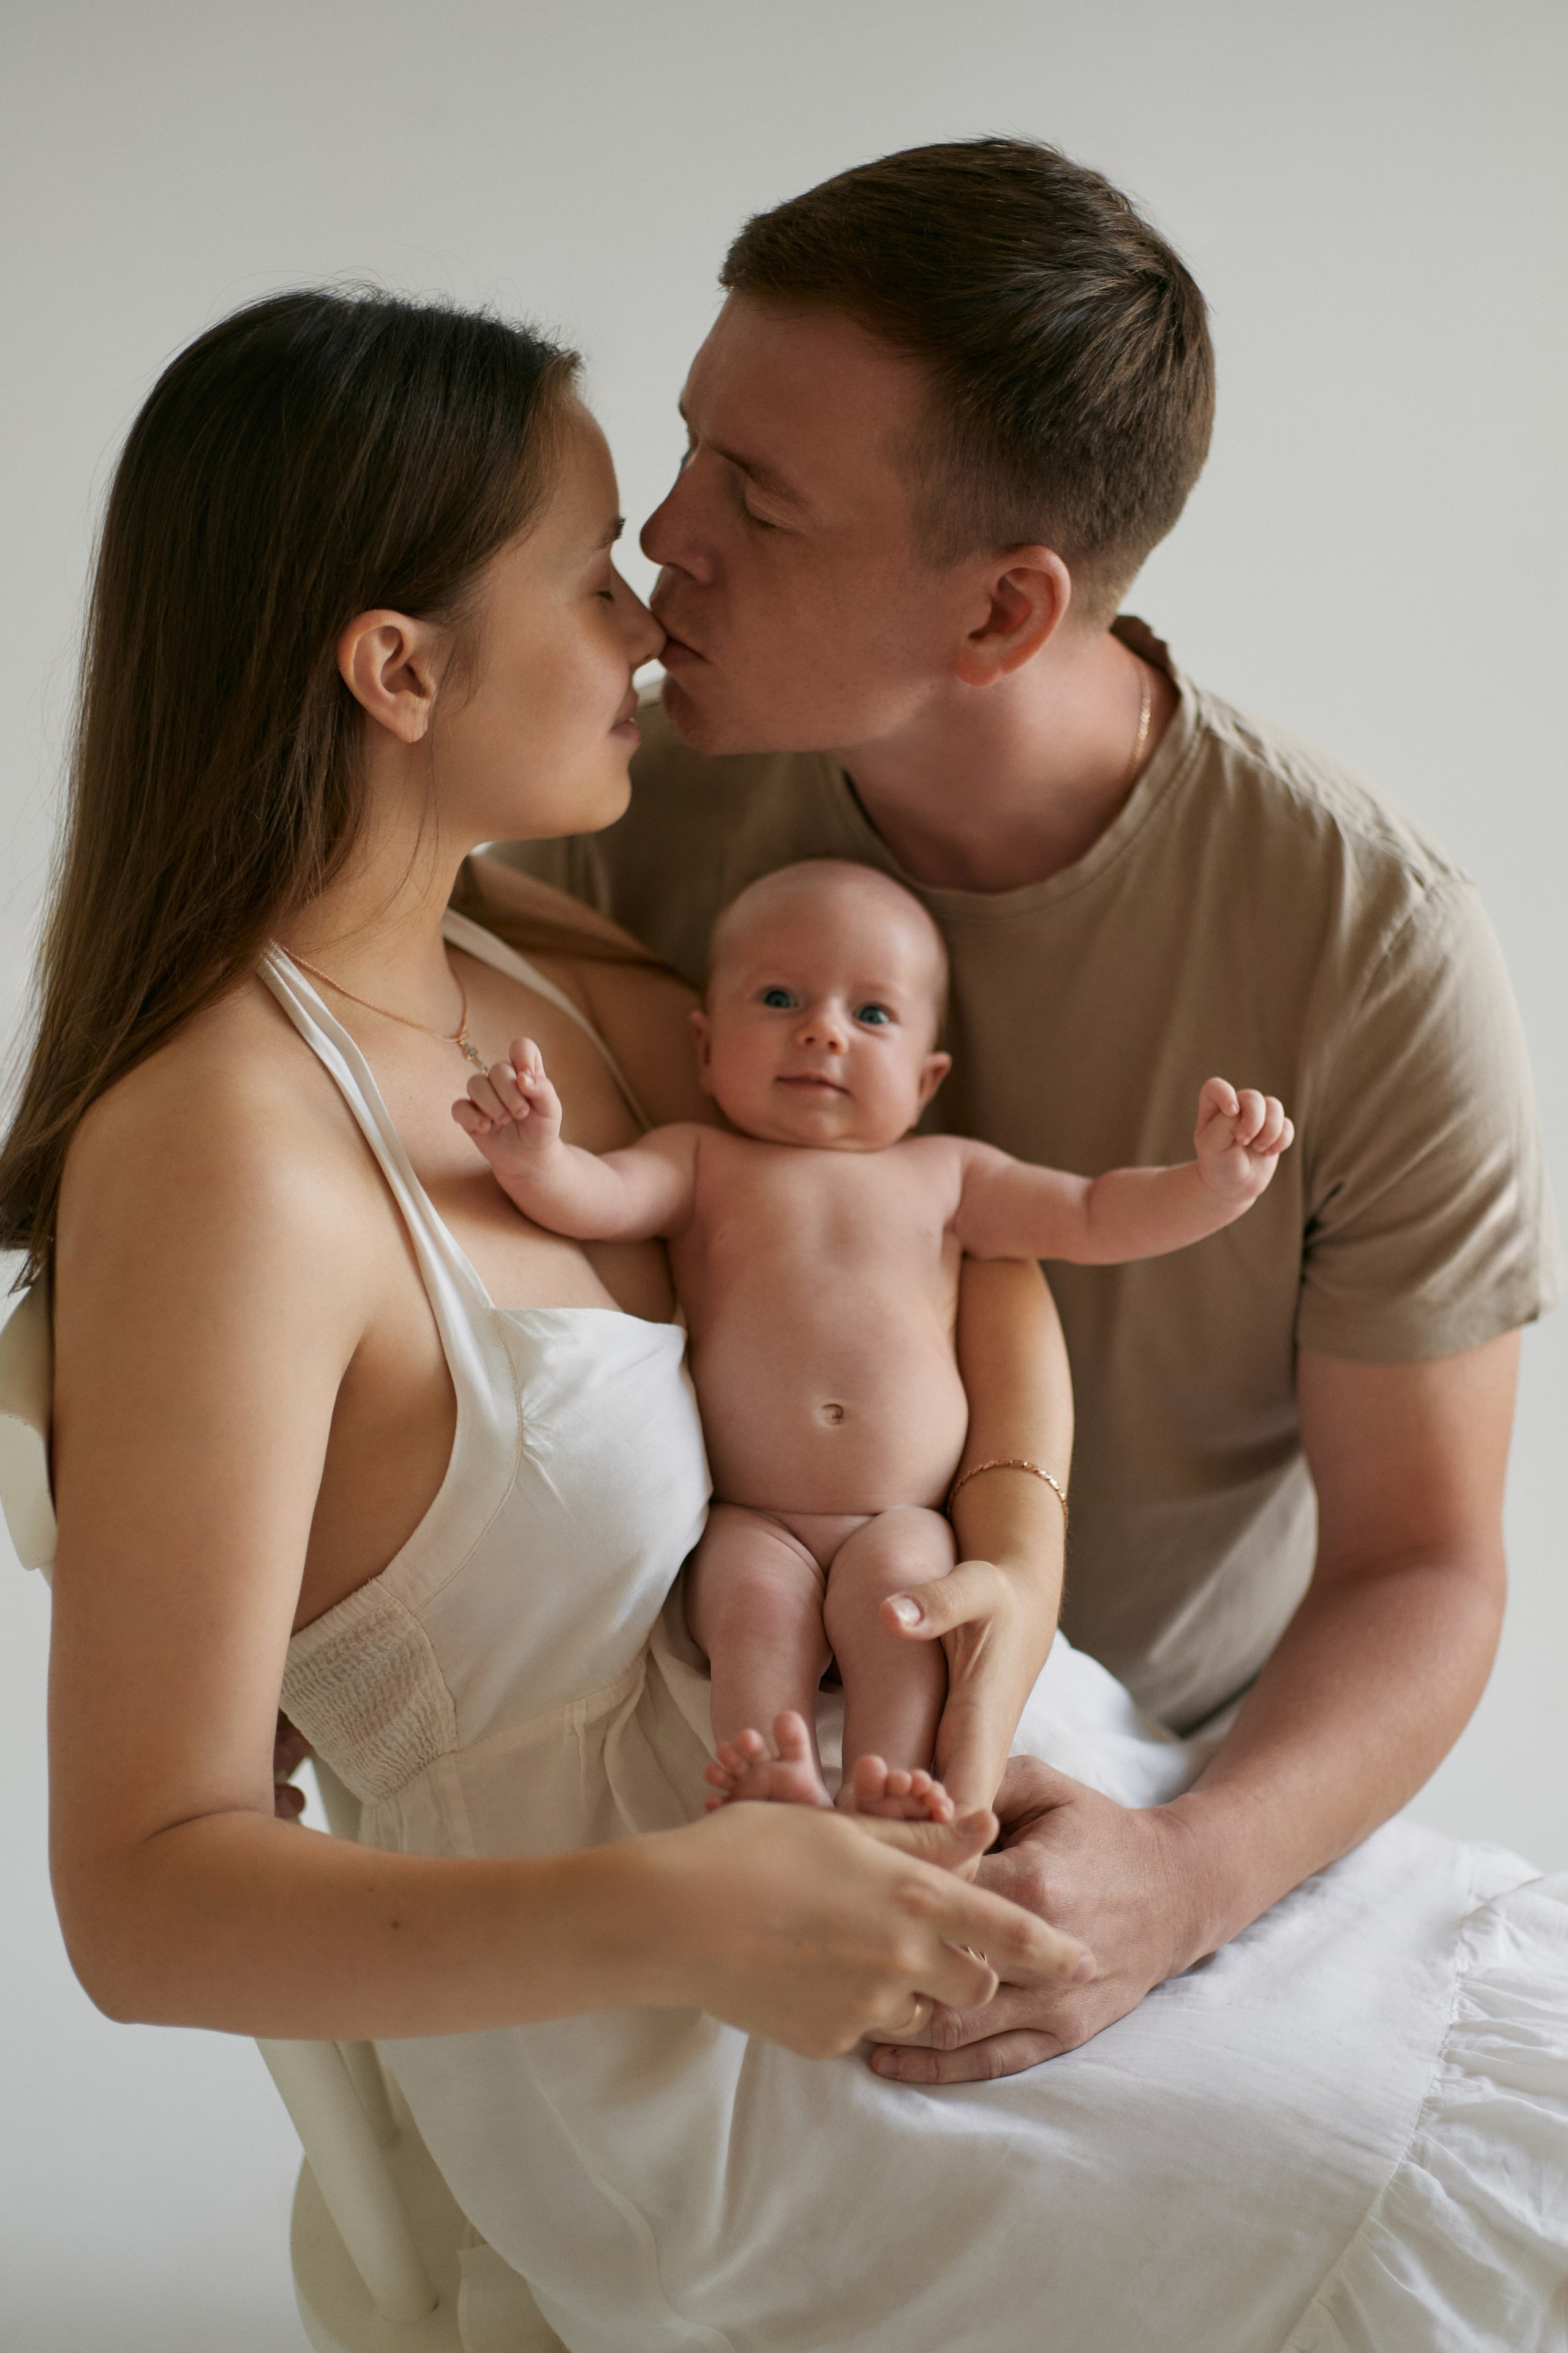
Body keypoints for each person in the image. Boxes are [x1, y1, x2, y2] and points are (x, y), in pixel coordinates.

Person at [6, 284, 1564, 2353]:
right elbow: (142, 1897)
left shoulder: (569, 977)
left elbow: (950, 1220)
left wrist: (1009, 1547)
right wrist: (679, 1907)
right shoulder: (225, 1158)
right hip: (764, 2080)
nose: (649, 605)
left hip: (1058, 1840)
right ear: (393, 670)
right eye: (584, 571)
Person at [499, 134, 1563, 2083]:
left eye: (757, 494)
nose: (661, 537)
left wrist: (1186, 1873)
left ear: (1001, 615)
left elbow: (1430, 1566)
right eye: (689, 444)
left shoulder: (1375, 948)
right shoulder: (608, 799)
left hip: (1159, 1802)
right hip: (701, 1758)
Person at [456, 854, 1291, 1819]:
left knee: (907, 1611)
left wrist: (1213, 1184)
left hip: (900, 1512)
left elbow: (1098, 1214)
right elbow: (599, 1198)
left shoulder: (951, 1177)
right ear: (705, 1046)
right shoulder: (701, 1162)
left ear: (929, 1075)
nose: (822, 1029)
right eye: (779, 997)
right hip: (754, 1513)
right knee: (748, 1610)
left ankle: (890, 1783)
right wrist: (538, 1155)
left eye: (873, 1015)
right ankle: (768, 1771)